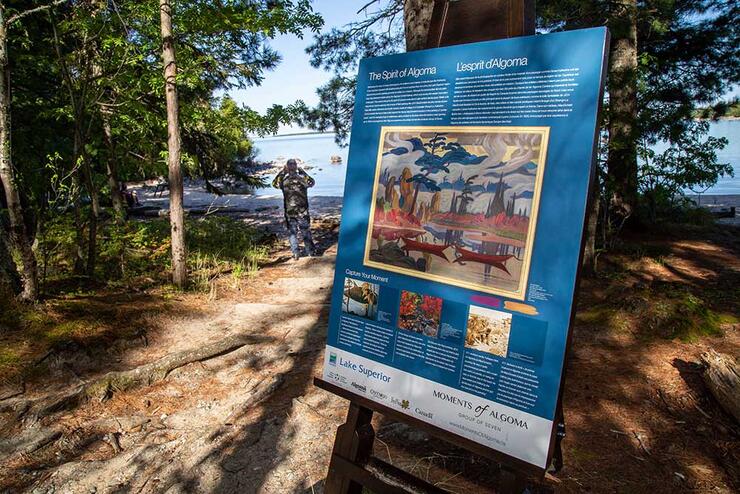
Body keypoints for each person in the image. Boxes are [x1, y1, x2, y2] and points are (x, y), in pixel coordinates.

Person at [272, 159, 318, 259]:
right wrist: (303, 172)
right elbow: (312, 182)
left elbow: (274, 183)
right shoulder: (303, 179)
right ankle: (310, 252)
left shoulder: (284, 181)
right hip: (303, 211)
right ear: (296, 167)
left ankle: (296, 253)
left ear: (287, 168)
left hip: (290, 212)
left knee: (292, 233)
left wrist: (282, 172)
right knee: (305, 231)